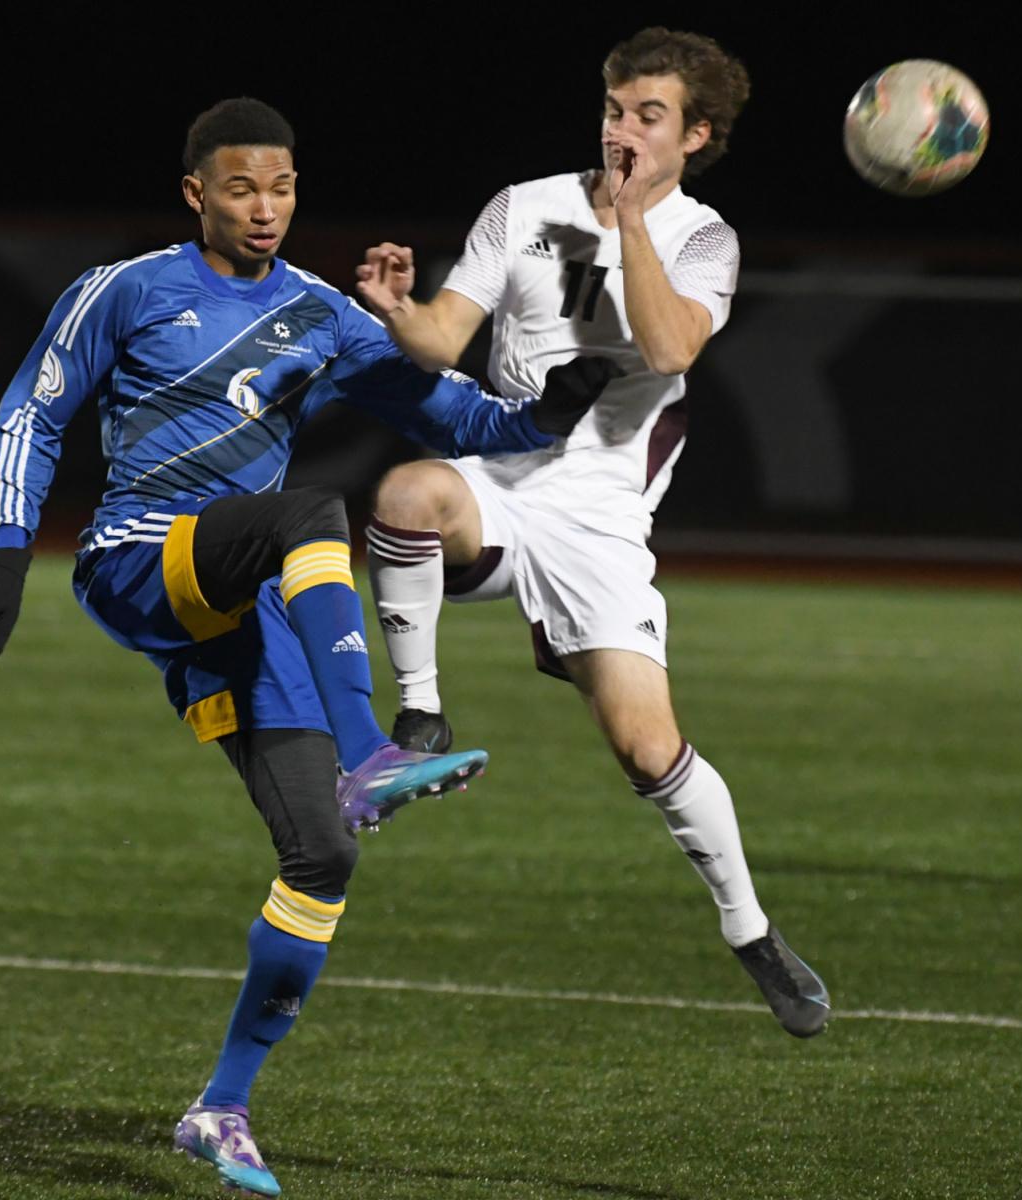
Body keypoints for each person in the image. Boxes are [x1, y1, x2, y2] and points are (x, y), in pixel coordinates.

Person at [0, 97, 615, 1198]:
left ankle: (220, 1108)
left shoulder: (320, 312)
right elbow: (35, 405)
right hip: (137, 558)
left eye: (284, 188)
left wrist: (551, 410)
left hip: (247, 600)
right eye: (244, 188)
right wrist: (6, 552)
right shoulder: (125, 289)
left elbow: (455, 416)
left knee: (323, 854)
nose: (266, 209)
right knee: (311, 511)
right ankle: (372, 747)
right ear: (197, 195)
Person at [352, 27, 828, 1038]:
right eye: (614, 109)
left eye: (648, 117)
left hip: (601, 513)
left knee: (647, 750)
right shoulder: (524, 206)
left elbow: (666, 344)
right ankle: (420, 719)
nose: (622, 132)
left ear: (696, 134)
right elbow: (445, 336)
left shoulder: (704, 239)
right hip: (501, 468)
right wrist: (397, 310)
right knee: (403, 495)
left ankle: (749, 933)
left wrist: (625, 225)